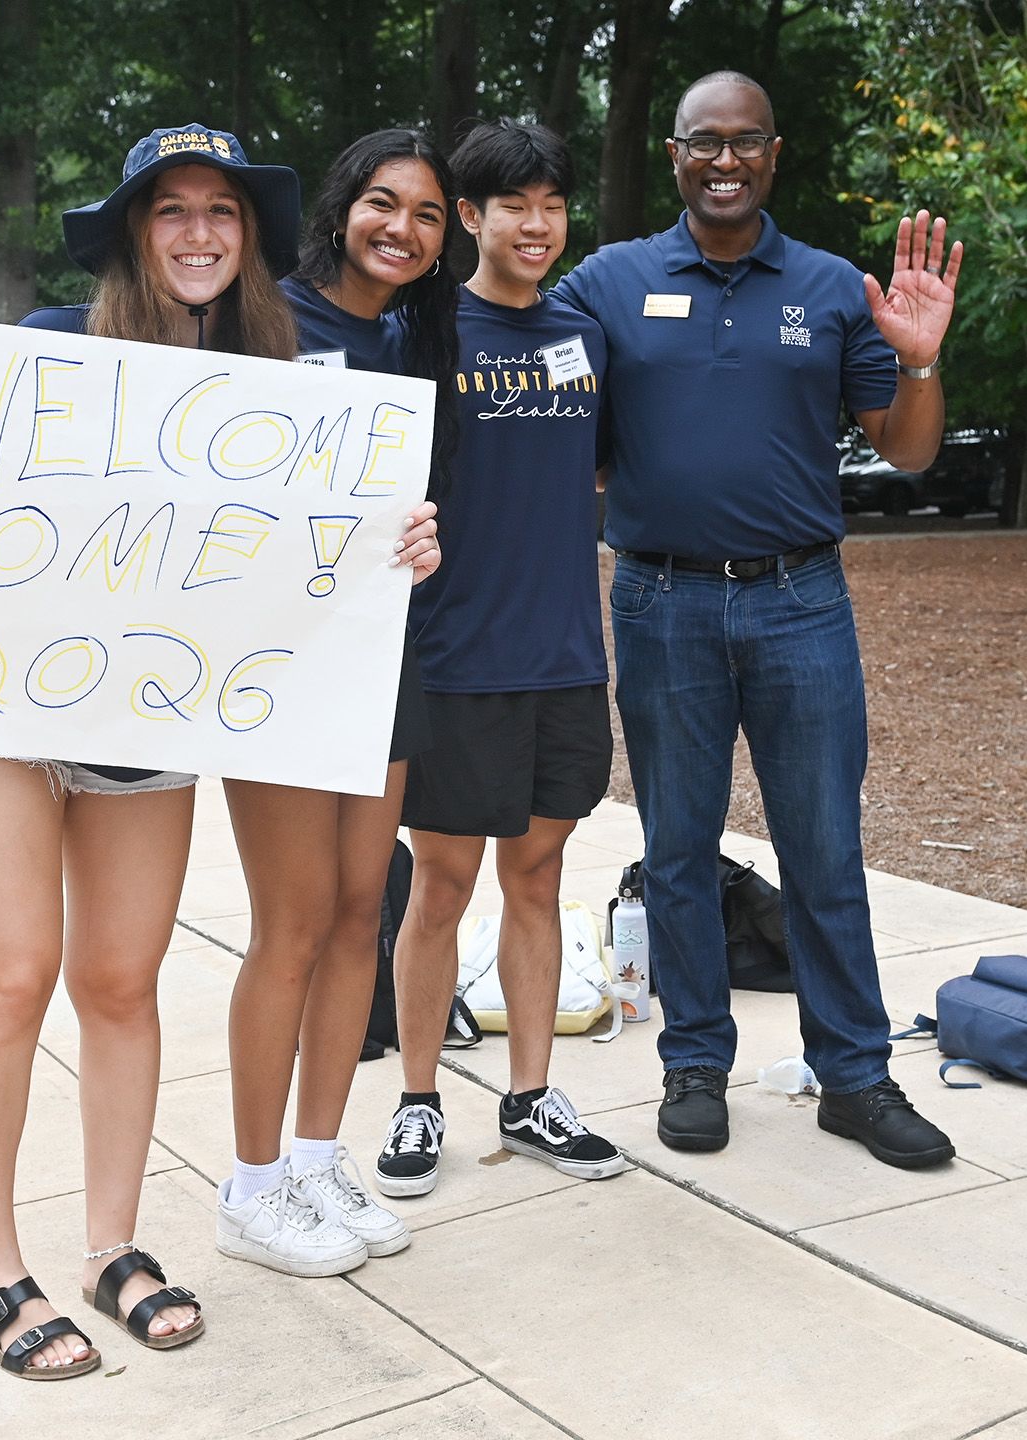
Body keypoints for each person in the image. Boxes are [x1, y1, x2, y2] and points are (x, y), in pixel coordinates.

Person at [0, 123, 442, 1376]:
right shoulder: (49, 350)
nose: (201, 231)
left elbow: (305, 566)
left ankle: (112, 1244)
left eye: (224, 210)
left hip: (141, 719)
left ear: (252, 238)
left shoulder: (279, 385)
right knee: (13, 973)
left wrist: (396, 549)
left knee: (121, 980)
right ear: (131, 232)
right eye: (172, 210)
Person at [552, 72, 964, 1168]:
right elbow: (539, 404)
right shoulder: (608, 281)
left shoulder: (832, 288)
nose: (723, 161)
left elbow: (909, 448)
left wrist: (918, 354)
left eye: (744, 144)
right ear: (674, 155)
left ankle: (855, 1078)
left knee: (823, 847)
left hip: (799, 602)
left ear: (773, 156)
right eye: (703, 143)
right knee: (677, 847)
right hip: (659, 598)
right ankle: (695, 1063)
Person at [208, 128, 459, 1278]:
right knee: (294, 923)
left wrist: (418, 535)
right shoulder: (263, 316)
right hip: (274, 666)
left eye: (425, 214)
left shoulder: (415, 336)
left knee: (364, 907)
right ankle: (249, 1184)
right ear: (341, 207)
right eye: (382, 202)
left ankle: (316, 1158)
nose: (400, 228)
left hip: (381, 654)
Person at [378, 120, 627, 1198]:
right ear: (468, 218)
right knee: (440, 888)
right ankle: (419, 1102)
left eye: (552, 205)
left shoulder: (585, 337)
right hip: (452, 657)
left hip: (567, 655)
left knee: (539, 878)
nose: (536, 225)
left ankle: (531, 1098)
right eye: (512, 206)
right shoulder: (420, 336)